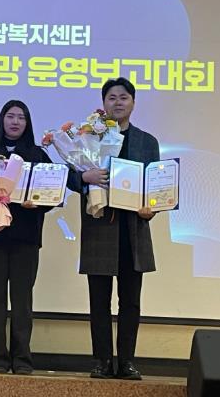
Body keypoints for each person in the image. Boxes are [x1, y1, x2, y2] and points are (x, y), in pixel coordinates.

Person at [69, 78, 160, 380]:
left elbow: (156, 186)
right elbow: (70, 176)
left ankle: (127, 362)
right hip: (100, 228)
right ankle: (102, 361)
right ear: (103, 103)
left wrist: (152, 207)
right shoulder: (88, 137)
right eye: (111, 97)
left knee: (130, 301)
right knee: (99, 301)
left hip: (133, 230)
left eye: (123, 97)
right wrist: (85, 178)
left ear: (133, 103)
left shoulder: (147, 142)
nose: (117, 102)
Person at [0, 99, 68, 375]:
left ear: (28, 123)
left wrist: (38, 203)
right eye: (10, 116)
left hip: (26, 237)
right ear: (2, 120)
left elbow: (54, 194)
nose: (15, 122)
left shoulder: (37, 155)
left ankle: (22, 359)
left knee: (22, 301)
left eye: (21, 117)